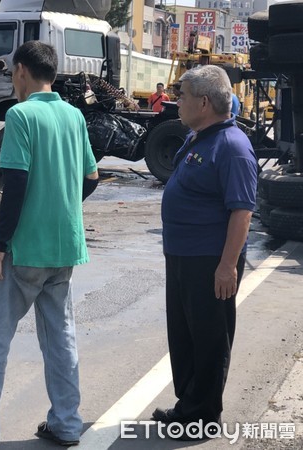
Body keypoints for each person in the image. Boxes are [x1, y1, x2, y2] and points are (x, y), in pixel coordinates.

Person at [0, 40, 99, 447]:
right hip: (65, 245)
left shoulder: (21, 115)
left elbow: (14, 185)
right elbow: (91, 178)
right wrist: (60, 207)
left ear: (22, 73)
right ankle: (66, 423)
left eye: (14, 74)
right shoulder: (73, 116)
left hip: (25, 248)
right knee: (60, 337)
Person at [152, 65, 257, 440]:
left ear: (205, 102)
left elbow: (242, 212)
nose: (176, 102)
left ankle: (202, 416)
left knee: (209, 337)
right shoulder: (199, 137)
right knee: (183, 335)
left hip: (210, 260)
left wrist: (227, 266)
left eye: (182, 96)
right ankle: (188, 406)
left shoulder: (232, 147)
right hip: (182, 255)